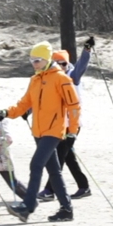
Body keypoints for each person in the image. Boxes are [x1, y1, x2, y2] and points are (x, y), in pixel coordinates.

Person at [0, 41, 81, 223]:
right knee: (54, 171)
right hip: (38, 131)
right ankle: (66, 209)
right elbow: (25, 103)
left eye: (37, 60)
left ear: (47, 59)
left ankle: (28, 206)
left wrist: (72, 130)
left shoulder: (62, 79)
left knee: (36, 165)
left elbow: (74, 106)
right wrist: (7, 112)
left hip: (54, 130)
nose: (34, 64)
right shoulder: (34, 80)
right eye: (32, 60)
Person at [38, 37, 93, 200]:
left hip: (72, 125)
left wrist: (87, 50)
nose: (58, 67)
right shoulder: (53, 78)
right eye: (55, 64)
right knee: (68, 157)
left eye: (61, 64)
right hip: (60, 124)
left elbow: (82, 66)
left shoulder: (72, 76)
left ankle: (49, 190)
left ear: (66, 64)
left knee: (59, 156)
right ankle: (84, 187)